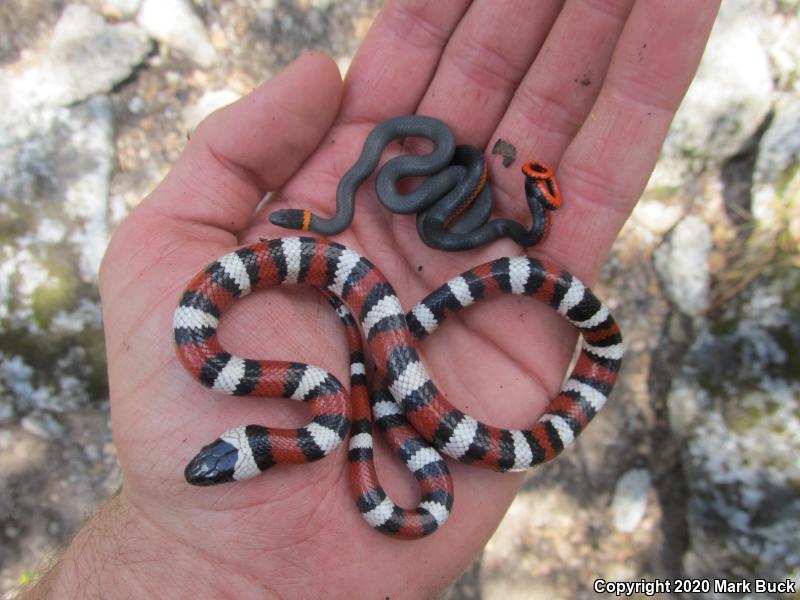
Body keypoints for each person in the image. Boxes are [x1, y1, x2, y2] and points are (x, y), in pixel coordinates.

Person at [22, 1, 720, 598]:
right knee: (400, 397)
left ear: (249, 438)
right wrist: (187, 551)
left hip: (366, 341)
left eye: (221, 455)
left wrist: (369, 376)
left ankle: (524, 333)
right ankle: (511, 363)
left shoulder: (234, 361)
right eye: (222, 461)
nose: (206, 465)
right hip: (364, 361)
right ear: (253, 444)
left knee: (390, 367)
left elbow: (337, 378)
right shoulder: (302, 401)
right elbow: (334, 395)